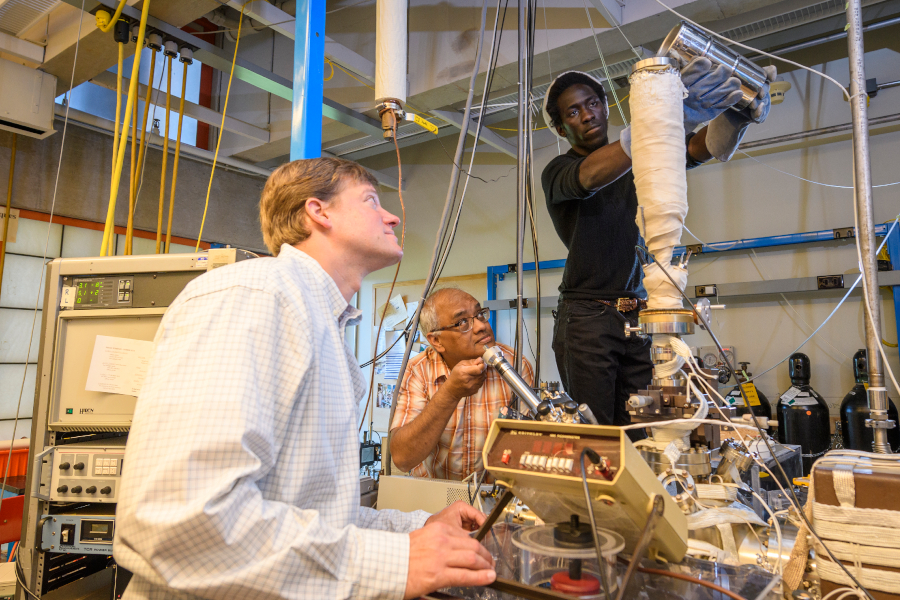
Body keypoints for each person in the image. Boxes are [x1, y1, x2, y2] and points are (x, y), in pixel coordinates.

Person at [114, 158, 496, 600]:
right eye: (372, 201)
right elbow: (183, 524)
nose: (391, 216)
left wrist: (415, 528)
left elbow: (320, 515)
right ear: (319, 212)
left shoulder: (324, 325)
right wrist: (400, 561)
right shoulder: (255, 296)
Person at [540, 59, 775, 440]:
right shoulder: (558, 171)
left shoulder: (643, 158)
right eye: (573, 111)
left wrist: (736, 115)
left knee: (641, 431)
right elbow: (591, 176)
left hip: (636, 318)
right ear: (560, 127)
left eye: (593, 103)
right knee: (595, 434)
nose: (587, 115)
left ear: (604, 103)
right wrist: (661, 119)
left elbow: (698, 148)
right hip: (586, 319)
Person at [390, 288, 534, 479]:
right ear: (436, 340)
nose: (481, 326)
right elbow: (402, 459)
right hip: (434, 497)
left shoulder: (515, 365)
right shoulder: (418, 370)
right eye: (462, 322)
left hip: (493, 495)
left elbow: (531, 446)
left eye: (480, 314)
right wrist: (449, 393)